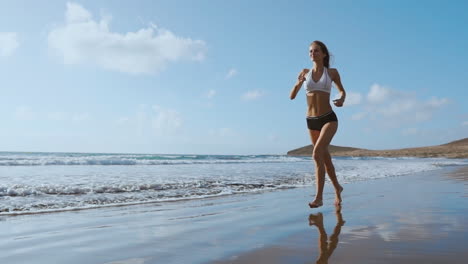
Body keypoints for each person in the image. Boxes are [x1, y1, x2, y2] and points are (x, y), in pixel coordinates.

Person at [289, 40, 346, 208]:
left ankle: (319, 198)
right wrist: (298, 83)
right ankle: (338, 189)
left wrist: (341, 98)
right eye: (310, 51)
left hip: (329, 118)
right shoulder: (304, 73)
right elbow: (292, 96)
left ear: (324, 54)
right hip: (311, 121)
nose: (312, 54)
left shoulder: (332, 73)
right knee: (325, 160)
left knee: (316, 155)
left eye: (316, 51)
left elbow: (342, 90)